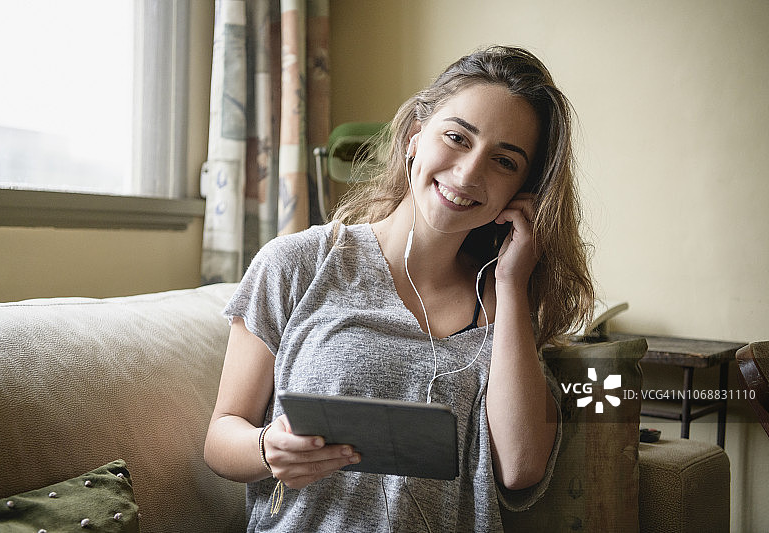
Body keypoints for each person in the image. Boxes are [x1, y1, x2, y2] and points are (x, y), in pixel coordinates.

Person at [204, 45, 595, 532]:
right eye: (457, 137)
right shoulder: (299, 263)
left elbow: (519, 468)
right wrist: (267, 448)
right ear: (414, 136)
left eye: (505, 162)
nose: (469, 172)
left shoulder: (503, 306)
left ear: (522, 192)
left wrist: (512, 284)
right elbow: (221, 437)